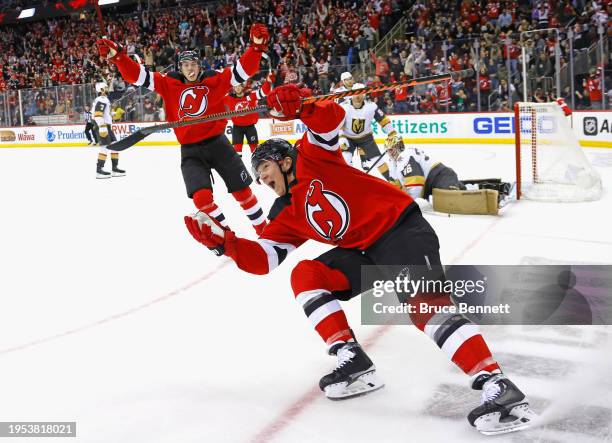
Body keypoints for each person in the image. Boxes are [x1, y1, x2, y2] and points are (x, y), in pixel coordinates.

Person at [184, 84, 535, 435]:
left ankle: (498, 386)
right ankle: (353, 360)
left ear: (285, 160)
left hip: (400, 230)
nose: (260, 179)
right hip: (365, 252)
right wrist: (224, 244)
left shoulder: (311, 155)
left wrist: (301, 107)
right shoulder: (286, 212)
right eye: (257, 174)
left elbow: (330, 118)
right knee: (306, 274)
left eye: (263, 168)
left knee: (426, 308)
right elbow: (264, 259)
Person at [96, 23, 270, 235]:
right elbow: (136, 76)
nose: (190, 68)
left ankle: (264, 229)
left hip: (218, 145)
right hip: (191, 151)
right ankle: (227, 234)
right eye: (185, 64)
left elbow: (244, 70)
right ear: (180, 67)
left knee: (242, 191)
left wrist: (256, 47)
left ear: (199, 65)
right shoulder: (168, 83)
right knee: (201, 199)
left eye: (193, 64)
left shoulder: (214, 79)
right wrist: (119, 57)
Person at [383, 135, 512, 214]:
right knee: (460, 191)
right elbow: (396, 186)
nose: (390, 153)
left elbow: (416, 182)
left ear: (399, 147)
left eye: (391, 149)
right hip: (437, 178)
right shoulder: (395, 163)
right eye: (388, 150)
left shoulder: (404, 157)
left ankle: (497, 193)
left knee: (454, 196)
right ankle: (497, 186)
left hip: (439, 176)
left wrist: (409, 204)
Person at [338, 83, 395, 181]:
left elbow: (383, 120)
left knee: (378, 161)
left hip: (366, 138)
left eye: (361, 93)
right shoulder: (343, 106)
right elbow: (338, 122)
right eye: (356, 93)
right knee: (345, 160)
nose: (358, 95)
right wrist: (341, 136)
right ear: (351, 94)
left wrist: (392, 133)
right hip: (348, 138)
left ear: (364, 94)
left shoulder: (372, 106)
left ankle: (393, 181)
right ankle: (346, 182)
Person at [223, 73, 274, 158]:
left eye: (239, 86)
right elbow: (215, 99)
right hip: (237, 128)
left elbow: (264, 92)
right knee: (237, 153)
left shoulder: (250, 96)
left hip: (250, 127)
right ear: (233, 88)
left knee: (255, 151)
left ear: (243, 87)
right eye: (235, 86)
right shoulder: (229, 98)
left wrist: (268, 82)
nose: (237, 88)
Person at [92, 81, 125, 179]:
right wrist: (102, 127)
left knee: (115, 145)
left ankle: (115, 168)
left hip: (106, 126)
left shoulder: (104, 99)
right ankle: (99, 170)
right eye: (105, 88)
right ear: (101, 90)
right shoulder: (102, 99)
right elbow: (98, 114)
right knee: (104, 147)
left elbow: (103, 113)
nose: (107, 89)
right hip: (103, 126)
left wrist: (111, 114)